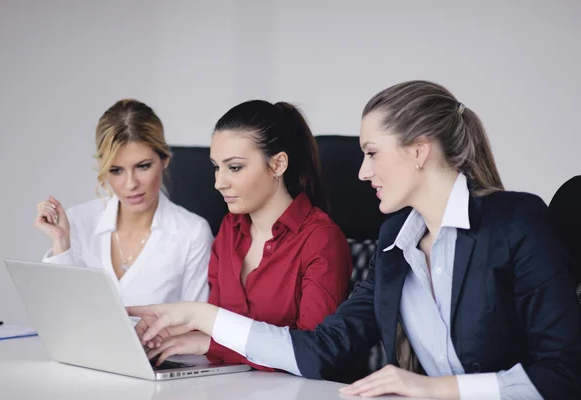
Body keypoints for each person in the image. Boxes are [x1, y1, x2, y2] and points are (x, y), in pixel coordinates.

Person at [129, 81, 581, 399]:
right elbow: (321, 349)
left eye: (371, 154)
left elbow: (565, 374)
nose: (362, 172)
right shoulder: (394, 244)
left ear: (419, 150)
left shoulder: (516, 221)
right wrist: (204, 318)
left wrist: (434, 390)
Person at [143, 100, 353, 373]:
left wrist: (209, 344)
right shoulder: (230, 230)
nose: (219, 182)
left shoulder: (321, 241)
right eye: (216, 167)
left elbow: (314, 355)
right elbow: (220, 330)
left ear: (278, 165)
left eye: (235, 167)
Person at [34, 99, 212, 306]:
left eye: (143, 166)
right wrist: (61, 243)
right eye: (116, 170)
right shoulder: (78, 221)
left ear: (165, 160)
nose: (130, 184)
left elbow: (195, 325)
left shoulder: (191, 233)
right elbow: (58, 312)